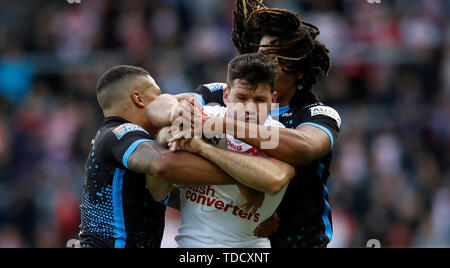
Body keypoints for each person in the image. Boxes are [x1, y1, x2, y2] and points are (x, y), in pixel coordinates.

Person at [189, 0, 342, 248]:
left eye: (277, 57)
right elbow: (166, 110)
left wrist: (225, 124)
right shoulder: (220, 94)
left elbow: (304, 149)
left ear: (299, 69)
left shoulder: (316, 113)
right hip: (233, 244)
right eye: (262, 54)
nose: (267, 63)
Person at [79, 65, 264, 248]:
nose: (163, 101)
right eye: (158, 94)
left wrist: (248, 215)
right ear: (139, 99)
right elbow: (163, 164)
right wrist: (243, 177)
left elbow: (172, 195)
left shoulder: (118, 139)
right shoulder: (120, 133)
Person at [153, 53, 296, 248]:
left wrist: (201, 148)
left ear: (273, 100)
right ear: (226, 96)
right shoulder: (207, 115)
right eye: (242, 98)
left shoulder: (277, 136)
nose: (250, 108)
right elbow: (156, 110)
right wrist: (175, 120)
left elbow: (273, 180)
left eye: (259, 100)